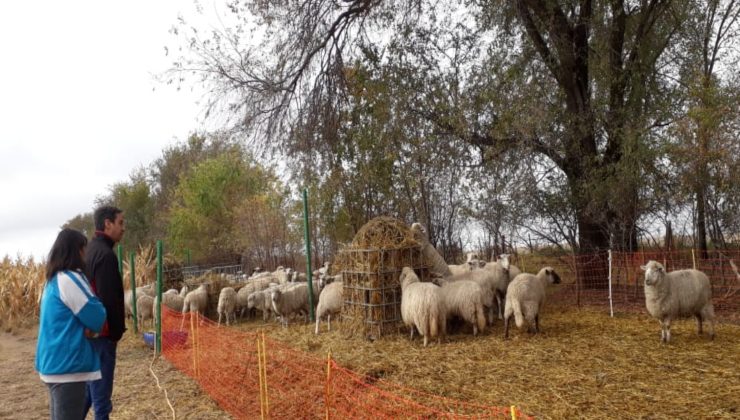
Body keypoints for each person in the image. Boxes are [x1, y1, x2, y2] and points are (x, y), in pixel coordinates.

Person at [36, 228, 107, 420]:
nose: (86, 254)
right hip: (67, 365)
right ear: (77, 250)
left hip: (53, 363)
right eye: (84, 249)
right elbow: (97, 316)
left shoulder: (53, 280)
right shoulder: (70, 279)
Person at [83, 206, 126, 420]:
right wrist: (116, 332)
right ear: (107, 224)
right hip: (103, 336)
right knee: (101, 402)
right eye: (120, 223)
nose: (123, 228)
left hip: (91, 335)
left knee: (88, 394)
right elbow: (108, 299)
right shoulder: (105, 255)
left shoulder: (90, 251)